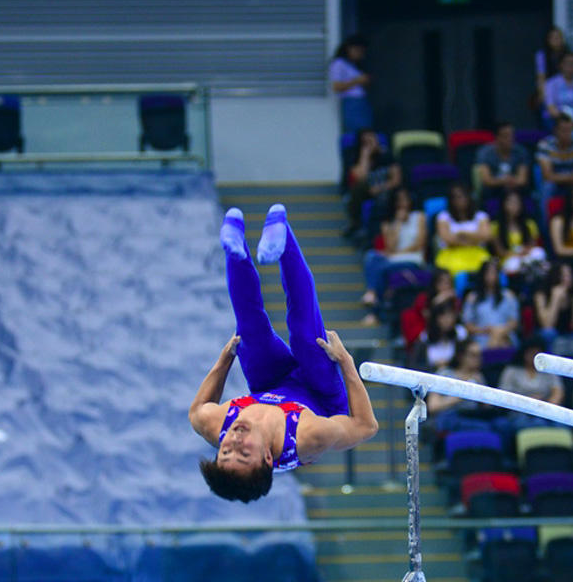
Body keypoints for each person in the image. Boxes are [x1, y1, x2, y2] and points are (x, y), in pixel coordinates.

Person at [192, 206, 378, 502]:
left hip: (268, 384)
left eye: (225, 451)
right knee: (306, 334)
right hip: (319, 394)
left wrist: (225, 359)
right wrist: (346, 363)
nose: (235, 440)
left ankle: (235, 251)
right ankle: (284, 235)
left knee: (249, 330)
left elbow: (198, 410)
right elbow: (366, 426)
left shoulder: (217, 425)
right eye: (243, 453)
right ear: (268, 458)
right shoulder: (308, 437)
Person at [361, 187, 426, 320]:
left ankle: (373, 301)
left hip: (412, 259)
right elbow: (390, 246)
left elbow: (419, 244)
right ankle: (373, 298)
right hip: (393, 259)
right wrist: (398, 223)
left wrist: (397, 253)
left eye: (405, 200)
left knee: (379, 268)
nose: (403, 204)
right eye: (399, 200)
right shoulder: (388, 223)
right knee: (371, 256)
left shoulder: (419, 217)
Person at [345, 128, 402, 236]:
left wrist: (379, 188)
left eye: (371, 140)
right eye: (366, 142)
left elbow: (396, 180)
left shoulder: (387, 155)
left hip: (386, 188)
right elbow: (361, 178)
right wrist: (365, 155)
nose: (370, 144)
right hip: (367, 190)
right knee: (357, 189)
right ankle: (357, 225)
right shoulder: (356, 157)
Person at [536, 113, 573, 211]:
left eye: (570, 130)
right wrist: (571, 177)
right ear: (555, 131)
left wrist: (566, 178)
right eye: (564, 130)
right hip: (557, 185)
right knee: (547, 188)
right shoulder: (545, 146)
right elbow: (547, 176)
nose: (567, 134)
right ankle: (543, 221)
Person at [434, 184, 492, 277]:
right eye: (455, 197)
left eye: (462, 196)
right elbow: (447, 239)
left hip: (477, 253)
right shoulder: (443, 216)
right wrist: (474, 239)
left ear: (469, 197)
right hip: (451, 254)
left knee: (488, 269)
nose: (459, 200)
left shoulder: (481, 215)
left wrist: (461, 234)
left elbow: (486, 236)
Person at [461, 258, 520, 349]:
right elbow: (467, 325)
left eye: (494, 273)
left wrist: (500, 331)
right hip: (481, 336)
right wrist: (484, 330)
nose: (491, 276)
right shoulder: (472, 298)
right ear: (482, 275)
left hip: (505, 335)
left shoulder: (508, 295)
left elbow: (514, 322)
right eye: (488, 273)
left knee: (500, 340)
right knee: (494, 342)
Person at [533, 262, 573, 357]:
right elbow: (547, 324)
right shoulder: (541, 294)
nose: (568, 279)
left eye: (569, 275)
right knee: (549, 334)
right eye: (564, 276)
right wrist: (555, 299)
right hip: (549, 332)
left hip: (568, 333)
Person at [491, 191, 546, 281]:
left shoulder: (530, 224)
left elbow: (533, 244)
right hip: (509, 258)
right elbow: (500, 252)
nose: (514, 206)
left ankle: (531, 273)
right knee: (513, 264)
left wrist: (525, 250)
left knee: (539, 252)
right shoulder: (496, 226)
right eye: (511, 202)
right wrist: (516, 254)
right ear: (504, 204)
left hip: (525, 256)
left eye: (517, 202)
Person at [499, 337, 565, 407]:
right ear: (523, 353)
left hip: (543, 409)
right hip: (517, 408)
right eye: (531, 353)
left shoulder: (548, 370)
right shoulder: (512, 370)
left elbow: (558, 391)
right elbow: (504, 393)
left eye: (536, 354)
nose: (533, 357)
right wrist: (525, 402)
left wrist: (549, 406)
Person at [475, 121, 531, 199]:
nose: (510, 139)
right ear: (497, 138)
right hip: (494, 190)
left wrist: (509, 182)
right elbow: (487, 180)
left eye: (512, 135)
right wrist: (505, 181)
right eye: (506, 136)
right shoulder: (485, 153)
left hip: (515, 189)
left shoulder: (520, 151)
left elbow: (522, 180)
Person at [330, 35, 372, 133]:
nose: (360, 54)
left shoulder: (354, 65)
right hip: (351, 102)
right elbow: (336, 86)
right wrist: (357, 81)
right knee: (356, 130)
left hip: (362, 101)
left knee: (366, 130)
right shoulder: (339, 64)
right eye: (358, 51)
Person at [414, 295, 467, 371]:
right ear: (435, 318)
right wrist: (434, 366)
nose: (448, 320)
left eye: (450, 316)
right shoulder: (425, 337)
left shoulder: (460, 333)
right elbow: (416, 365)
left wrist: (448, 364)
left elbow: (465, 361)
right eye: (443, 316)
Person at [543, 51, 573, 129]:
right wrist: (565, 120)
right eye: (568, 63)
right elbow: (551, 108)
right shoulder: (551, 83)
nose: (571, 66)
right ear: (561, 65)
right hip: (557, 120)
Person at [533, 27, 572, 118]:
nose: (556, 40)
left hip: (564, 90)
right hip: (549, 90)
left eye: (558, 37)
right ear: (548, 40)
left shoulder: (567, 54)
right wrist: (543, 95)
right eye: (553, 38)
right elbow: (541, 76)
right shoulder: (542, 55)